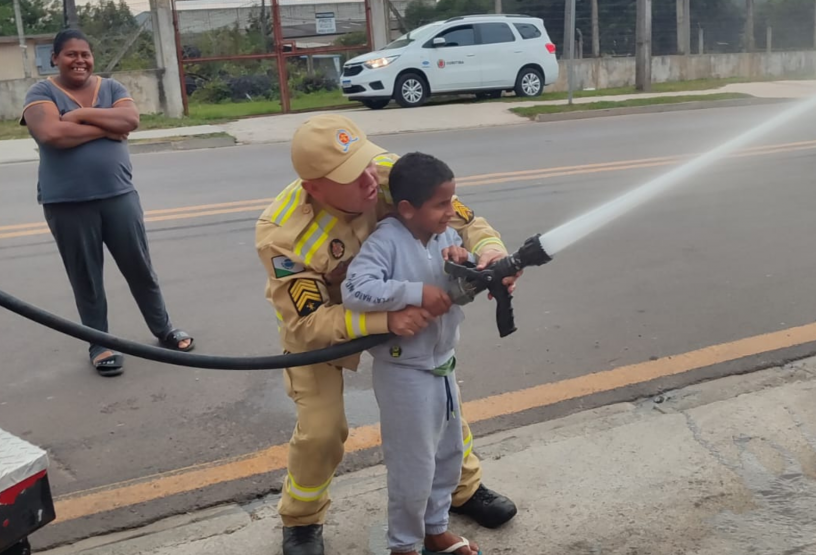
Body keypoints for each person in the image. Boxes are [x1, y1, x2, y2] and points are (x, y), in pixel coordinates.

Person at [255, 114, 519, 555]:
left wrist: (490, 253)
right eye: (349, 176)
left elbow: (462, 219)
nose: (368, 179)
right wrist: (384, 321)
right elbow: (308, 321)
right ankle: (302, 517)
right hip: (328, 331)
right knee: (322, 430)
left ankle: (463, 489)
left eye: (364, 161)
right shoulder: (283, 233)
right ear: (313, 188)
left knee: (440, 402)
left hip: (406, 320)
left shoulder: (384, 173)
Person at [20, 29, 194, 377]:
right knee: (86, 277)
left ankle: (164, 330)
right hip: (67, 202)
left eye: (85, 54)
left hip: (119, 196)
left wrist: (78, 117)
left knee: (140, 269)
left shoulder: (112, 88)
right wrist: (106, 126)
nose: (80, 60)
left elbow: (130, 120)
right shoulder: (41, 92)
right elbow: (53, 135)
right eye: (71, 54)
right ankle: (100, 344)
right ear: (54, 58)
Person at [342, 152, 481, 555]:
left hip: (442, 365)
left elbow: (460, 268)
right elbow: (356, 290)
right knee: (413, 467)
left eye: (452, 200)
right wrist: (414, 293)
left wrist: (464, 260)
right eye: (441, 204)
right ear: (407, 208)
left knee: (448, 455)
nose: (450, 211)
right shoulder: (386, 241)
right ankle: (404, 544)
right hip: (404, 372)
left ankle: (436, 530)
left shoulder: (445, 237)